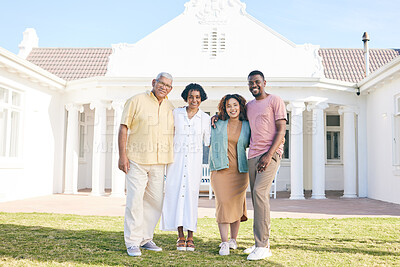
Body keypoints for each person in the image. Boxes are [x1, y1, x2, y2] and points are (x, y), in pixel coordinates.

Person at [118, 72, 175, 257]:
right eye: (161, 83)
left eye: (168, 86)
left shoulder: (170, 107)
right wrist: (122, 156)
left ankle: (145, 238)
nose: (164, 87)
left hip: (159, 162)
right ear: (154, 82)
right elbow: (123, 127)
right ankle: (133, 241)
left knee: (155, 202)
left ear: (171, 89)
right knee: (135, 201)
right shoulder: (135, 100)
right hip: (136, 159)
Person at [160, 83, 211, 251]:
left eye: (197, 97)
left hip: (194, 165)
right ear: (186, 97)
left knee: (190, 198)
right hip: (176, 162)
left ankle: (191, 236)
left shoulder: (204, 118)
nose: (194, 100)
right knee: (175, 196)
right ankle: (180, 236)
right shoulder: (176, 113)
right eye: (191, 96)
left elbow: (209, 142)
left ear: (201, 98)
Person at [244, 70, 286, 261]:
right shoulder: (249, 106)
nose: (254, 85)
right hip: (252, 155)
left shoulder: (275, 100)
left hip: (269, 154)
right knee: (256, 197)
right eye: (251, 83)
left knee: (260, 193)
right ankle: (258, 242)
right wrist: (217, 117)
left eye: (257, 82)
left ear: (264, 83)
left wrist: (269, 155)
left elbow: (281, 130)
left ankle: (263, 245)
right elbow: (235, 117)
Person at [209, 94, 251, 256]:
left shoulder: (247, 125)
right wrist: (214, 117)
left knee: (236, 204)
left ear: (240, 106)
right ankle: (224, 242)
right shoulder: (217, 123)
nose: (232, 109)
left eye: (235, 105)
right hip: (219, 170)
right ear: (224, 108)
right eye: (228, 106)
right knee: (223, 203)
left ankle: (234, 239)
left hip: (240, 171)